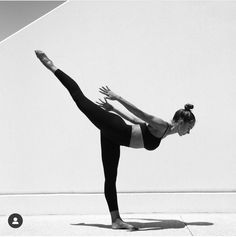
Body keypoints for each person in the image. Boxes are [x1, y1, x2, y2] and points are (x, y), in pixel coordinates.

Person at [35, 50, 196, 231]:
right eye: (189, 128)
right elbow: (140, 114)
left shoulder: (165, 132)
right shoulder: (161, 125)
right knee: (80, 99)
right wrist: (117, 98)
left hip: (114, 137)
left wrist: (113, 108)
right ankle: (51, 65)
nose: (189, 132)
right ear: (182, 122)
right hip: (114, 128)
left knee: (110, 178)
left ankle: (116, 220)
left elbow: (137, 122)